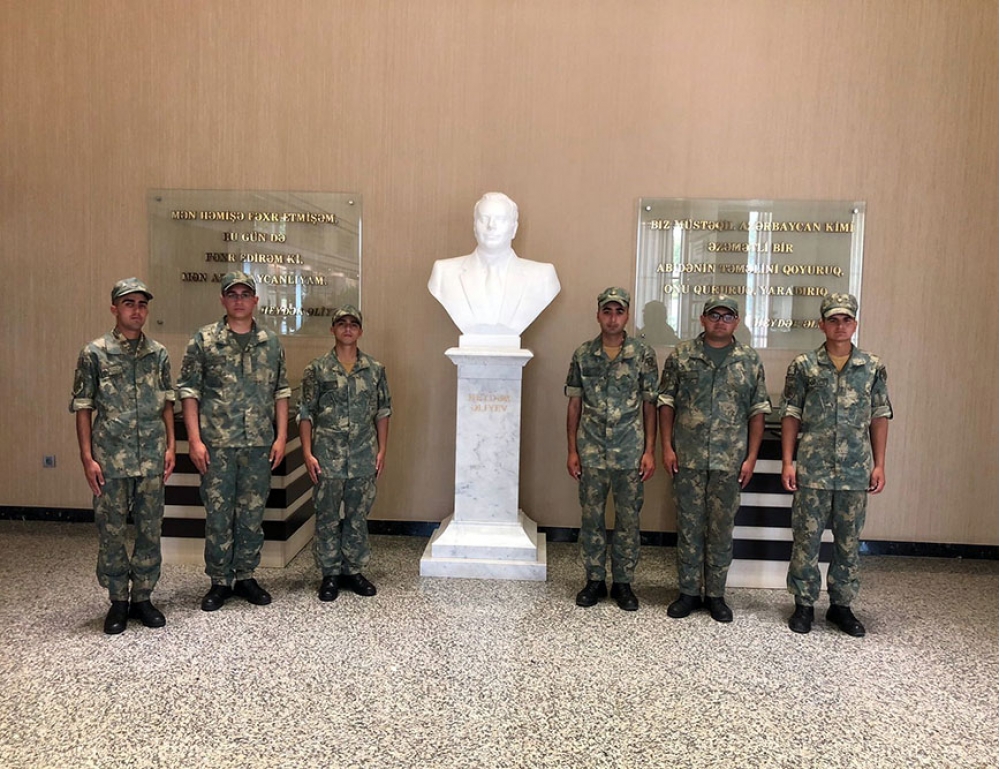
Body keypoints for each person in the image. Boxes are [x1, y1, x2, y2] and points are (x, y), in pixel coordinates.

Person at [177, 271, 291, 612]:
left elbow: (281, 391)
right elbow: (189, 392)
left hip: (258, 445)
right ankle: (218, 581)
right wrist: (194, 441)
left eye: (245, 294)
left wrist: (281, 436)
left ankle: (245, 576)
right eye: (232, 294)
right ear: (223, 300)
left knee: (252, 514)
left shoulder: (271, 343)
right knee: (218, 515)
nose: (239, 300)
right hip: (217, 446)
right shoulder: (204, 340)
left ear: (255, 300)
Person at [780, 293, 892, 637]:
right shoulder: (804, 366)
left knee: (848, 541)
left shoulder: (871, 367)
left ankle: (841, 606)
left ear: (854, 324)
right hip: (812, 468)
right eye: (833, 320)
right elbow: (791, 414)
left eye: (846, 320)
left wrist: (879, 464)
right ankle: (804, 604)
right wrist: (788, 462)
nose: (840, 326)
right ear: (822, 324)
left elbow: (879, 416)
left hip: (855, 470)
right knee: (806, 539)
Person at [70, 278, 176, 635]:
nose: (137, 310)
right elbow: (83, 406)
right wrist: (87, 457)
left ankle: (143, 597)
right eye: (129, 303)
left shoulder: (158, 353)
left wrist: (171, 446)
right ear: (114, 308)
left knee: (150, 529)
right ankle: (118, 600)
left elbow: (167, 403)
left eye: (142, 304)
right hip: (110, 459)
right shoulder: (94, 353)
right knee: (111, 530)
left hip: (151, 457)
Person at [657, 295, 771, 623]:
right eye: (714, 315)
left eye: (727, 316)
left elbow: (757, 412)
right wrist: (667, 447)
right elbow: (666, 403)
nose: (720, 321)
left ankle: (716, 595)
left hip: (729, 461)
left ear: (736, 322)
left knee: (721, 529)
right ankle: (688, 593)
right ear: (703, 319)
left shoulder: (749, 360)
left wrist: (751, 457)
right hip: (688, 459)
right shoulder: (682, 356)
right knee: (689, 526)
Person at [565, 287, 658, 611]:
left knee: (628, 519)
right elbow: (574, 404)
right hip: (591, 449)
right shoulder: (583, 354)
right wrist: (572, 450)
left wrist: (649, 450)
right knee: (591, 517)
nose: (613, 318)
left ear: (627, 315)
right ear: (598, 315)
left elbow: (650, 405)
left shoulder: (642, 354)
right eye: (607, 311)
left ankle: (623, 582)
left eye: (619, 312)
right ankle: (594, 579)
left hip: (629, 450)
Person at [298, 306, 392, 601]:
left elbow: (383, 412)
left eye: (353, 324)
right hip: (327, 455)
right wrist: (307, 452)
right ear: (333, 329)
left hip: (363, 454)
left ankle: (353, 570)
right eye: (341, 323)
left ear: (360, 331)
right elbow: (305, 413)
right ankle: (330, 573)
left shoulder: (374, 370)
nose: (348, 328)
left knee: (357, 515)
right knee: (326, 515)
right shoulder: (317, 369)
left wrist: (382, 450)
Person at [427, 192, 560, 339]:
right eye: (483, 219)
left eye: (500, 219)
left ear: (514, 228)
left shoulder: (543, 277)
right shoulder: (444, 273)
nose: (491, 226)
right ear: (474, 226)